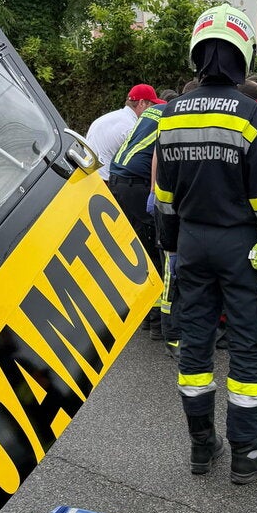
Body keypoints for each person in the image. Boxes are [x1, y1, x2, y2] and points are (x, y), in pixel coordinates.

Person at [154, 3, 257, 483]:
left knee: (195, 346)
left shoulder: (170, 113)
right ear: (244, 52)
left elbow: (164, 195)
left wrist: (173, 250)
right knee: (247, 345)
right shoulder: (249, 112)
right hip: (241, 247)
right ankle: (246, 451)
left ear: (196, 51)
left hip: (192, 243)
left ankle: (202, 448)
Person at [109, 91, 173, 339]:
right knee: (158, 254)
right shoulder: (173, 115)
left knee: (140, 252)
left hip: (119, 180)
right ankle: (158, 324)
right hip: (137, 185)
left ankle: (146, 317)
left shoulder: (152, 112)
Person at [85, 84, 164, 181]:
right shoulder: (131, 125)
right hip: (106, 181)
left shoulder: (111, 118)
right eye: (152, 106)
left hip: (88, 175)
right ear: (142, 103)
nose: (153, 111)